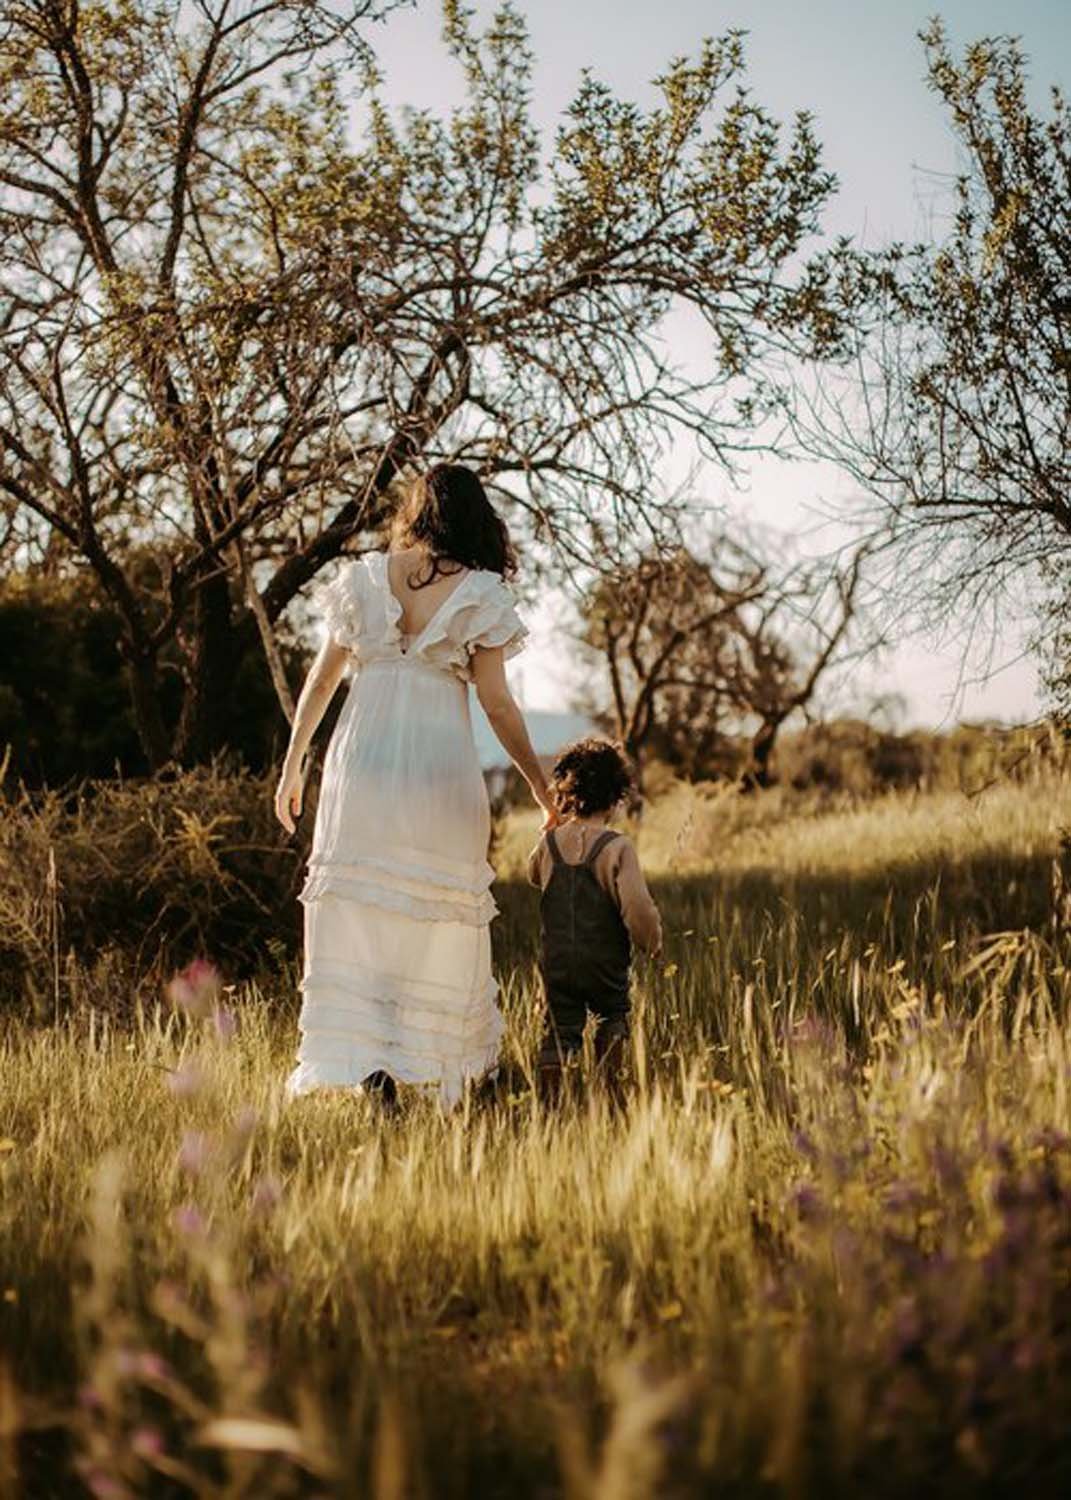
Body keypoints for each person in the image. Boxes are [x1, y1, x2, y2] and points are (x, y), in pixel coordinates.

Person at [273, 465, 555, 1107]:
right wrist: (538, 784)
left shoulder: (367, 579)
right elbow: (498, 705)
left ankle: (369, 1058)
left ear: (416, 512)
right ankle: (428, 1066)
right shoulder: (481, 590)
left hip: (360, 760)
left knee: (365, 903)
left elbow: (320, 684)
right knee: (433, 907)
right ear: (478, 520)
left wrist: (294, 765)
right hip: (436, 766)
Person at [526, 738, 662, 1091]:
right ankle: (608, 1090)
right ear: (617, 796)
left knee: (558, 1029)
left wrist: (552, 829)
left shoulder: (548, 845)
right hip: (604, 964)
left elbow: (531, 873)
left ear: (566, 792)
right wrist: (652, 941)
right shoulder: (617, 848)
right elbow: (637, 906)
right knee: (611, 1015)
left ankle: (550, 1100)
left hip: (556, 963)